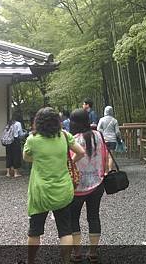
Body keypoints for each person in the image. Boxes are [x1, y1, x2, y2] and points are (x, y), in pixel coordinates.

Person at [23, 107, 86, 264]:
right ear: (57, 121)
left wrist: (39, 158)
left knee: (35, 231)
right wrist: (68, 161)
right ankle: (66, 261)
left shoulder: (33, 140)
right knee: (65, 231)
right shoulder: (64, 136)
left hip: (40, 192)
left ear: (38, 122)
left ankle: (31, 261)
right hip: (63, 190)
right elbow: (81, 152)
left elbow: (26, 157)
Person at [69, 109, 113, 263]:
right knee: (94, 217)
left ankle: (77, 253)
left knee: (73, 218)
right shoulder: (99, 135)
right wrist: (106, 170)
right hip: (98, 183)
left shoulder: (73, 140)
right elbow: (106, 156)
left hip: (77, 187)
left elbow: (69, 161)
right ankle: (93, 252)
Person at [6, 112, 25, 178]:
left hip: (8, 141)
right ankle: (15, 173)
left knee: (9, 155)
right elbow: (20, 134)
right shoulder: (18, 123)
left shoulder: (9, 123)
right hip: (15, 141)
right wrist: (26, 133)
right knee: (16, 156)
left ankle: (8, 173)